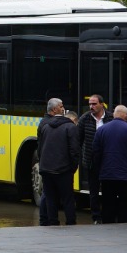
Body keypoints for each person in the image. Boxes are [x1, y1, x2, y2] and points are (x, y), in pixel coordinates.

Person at [93, 105, 127, 223]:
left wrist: (99, 169)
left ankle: (108, 224)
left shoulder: (101, 130)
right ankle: (124, 224)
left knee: (108, 203)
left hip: (107, 174)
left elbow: (96, 152)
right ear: (125, 115)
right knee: (125, 204)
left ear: (114, 115)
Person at [37, 97, 79, 226]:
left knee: (50, 198)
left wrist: (43, 165)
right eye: (61, 106)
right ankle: (70, 222)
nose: (63, 107)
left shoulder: (45, 126)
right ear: (55, 109)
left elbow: (40, 149)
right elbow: (74, 151)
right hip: (63, 170)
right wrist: (72, 168)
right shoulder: (69, 127)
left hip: (46, 169)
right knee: (67, 199)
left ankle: (52, 222)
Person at [77, 94, 110, 221]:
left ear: (102, 104)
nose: (91, 106)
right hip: (91, 161)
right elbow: (78, 140)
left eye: (94, 104)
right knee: (93, 190)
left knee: (107, 189)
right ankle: (96, 216)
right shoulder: (85, 119)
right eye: (90, 104)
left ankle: (107, 215)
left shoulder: (110, 118)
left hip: (107, 160)